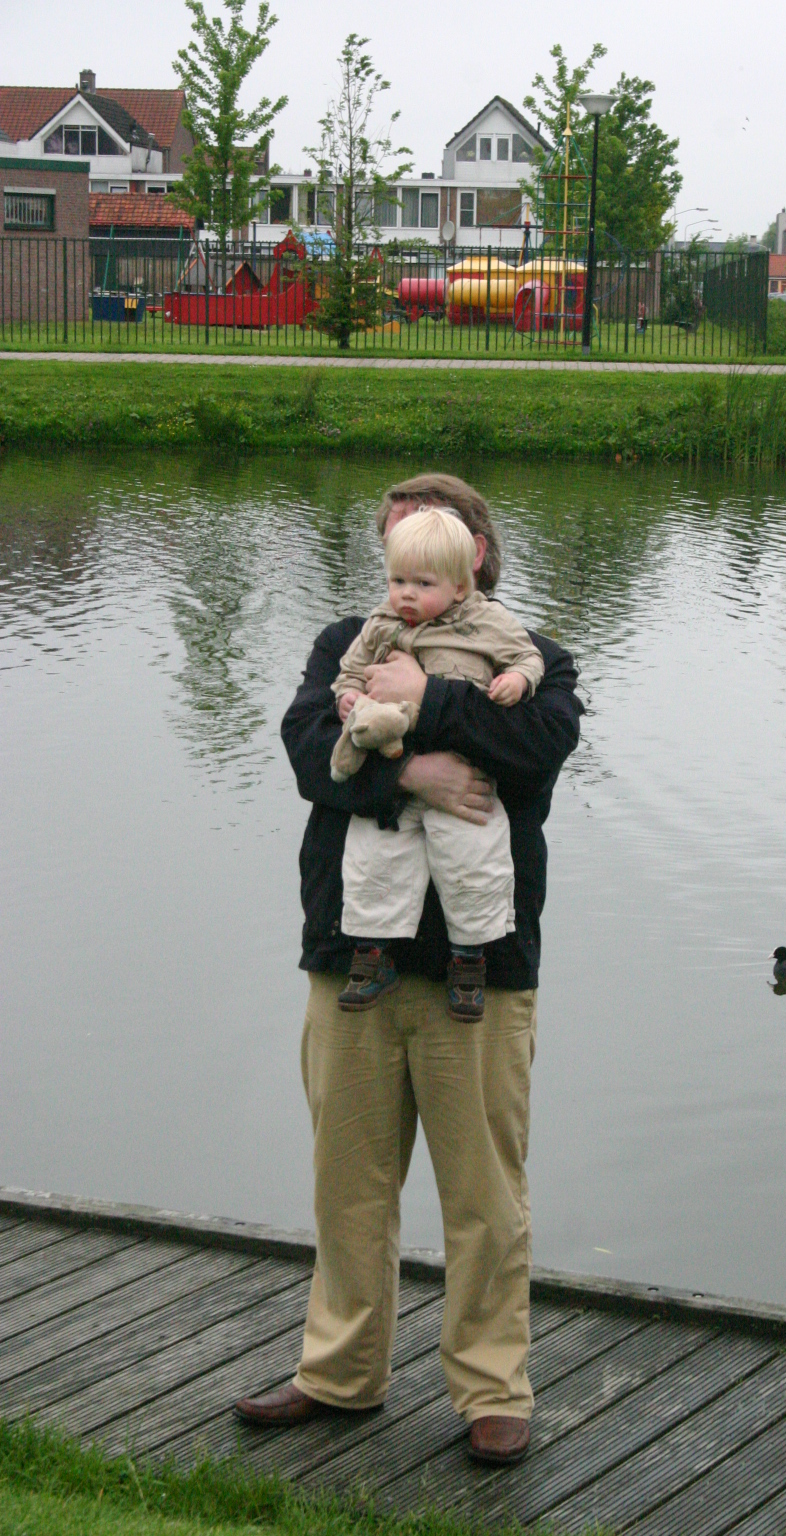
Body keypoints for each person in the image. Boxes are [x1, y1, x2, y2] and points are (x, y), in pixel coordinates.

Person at [234, 473, 583, 1467]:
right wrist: (409, 774)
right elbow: (311, 751)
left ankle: (492, 1390)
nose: (403, 571)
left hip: (483, 968)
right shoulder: (348, 644)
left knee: (485, 1195)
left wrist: (428, 699)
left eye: (425, 548)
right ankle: (340, 1374)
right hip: (351, 955)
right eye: (392, 550)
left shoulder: (532, 657)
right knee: (348, 1180)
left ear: (474, 555)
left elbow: (536, 750)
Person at [330, 507, 545, 1022]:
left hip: (467, 780)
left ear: (460, 583)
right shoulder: (378, 626)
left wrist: (516, 681)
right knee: (373, 859)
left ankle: (469, 961)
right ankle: (373, 955)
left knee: (474, 862)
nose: (406, 594)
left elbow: (528, 659)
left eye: (422, 584)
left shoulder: (487, 623)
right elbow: (349, 673)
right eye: (397, 580)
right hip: (390, 769)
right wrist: (347, 695)